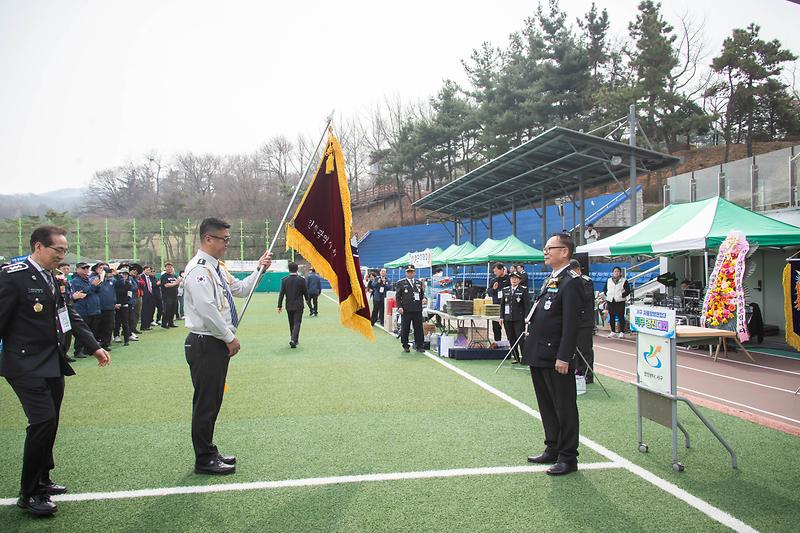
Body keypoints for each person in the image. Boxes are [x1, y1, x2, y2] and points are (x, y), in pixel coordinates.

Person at [0, 226, 110, 517]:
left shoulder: (51, 277)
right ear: (38, 247)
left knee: (51, 421)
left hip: (52, 361)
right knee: (42, 421)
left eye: (64, 251)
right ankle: (29, 492)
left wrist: (95, 346)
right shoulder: (14, 276)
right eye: (57, 251)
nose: (62, 256)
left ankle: (43, 478)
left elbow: (69, 315)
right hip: (24, 364)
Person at [182, 217, 272, 476]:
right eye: (224, 239)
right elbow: (207, 310)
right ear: (208, 239)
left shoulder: (217, 268)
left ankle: (209, 450)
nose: (227, 245)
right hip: (206, 342)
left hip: (214, 342)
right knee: (205, 403)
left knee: (213, 401)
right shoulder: (199, 270)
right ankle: (204, 459)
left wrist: (259, 270)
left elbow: (241, 289)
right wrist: (228, 337)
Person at [522, 233, 582, 476]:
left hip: (556, 355)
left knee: (564, 406)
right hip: (540, 353)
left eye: (550, 248)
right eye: (545, 248)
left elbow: (571, 324)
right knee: (546, 404)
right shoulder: (552, 279)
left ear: (564, 252)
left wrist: (564, 356)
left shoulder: (572, 281)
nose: (545, 251)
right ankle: (552, 447)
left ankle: (568, 457)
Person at [569, 259, 595, 383]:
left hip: (585, 321)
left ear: (577, 270)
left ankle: (588, 374)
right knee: (575, 349)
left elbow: (585, 297)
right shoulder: (570, 282)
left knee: (585, 349)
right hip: (574, 320)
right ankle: (578, 371)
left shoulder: (586, 281)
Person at [69, 262, 100, 358]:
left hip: (93, 309)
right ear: (77, 269)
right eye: (83, 268)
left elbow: (96, 291)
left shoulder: (89, 279)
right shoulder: (75, 281)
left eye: (87, 268)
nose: (86, 270)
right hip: (83, 309)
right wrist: (94, 286)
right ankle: (78, 351)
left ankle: (89, 349)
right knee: (82, 331)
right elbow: (84, 292)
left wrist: (96, 286)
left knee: (92, 330)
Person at [499, 271, 531, 364]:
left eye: (516, 278)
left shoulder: (523, 289)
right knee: (511, 338)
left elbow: (527, 305)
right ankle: (516, 357)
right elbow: (502, 305)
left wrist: (526, 317)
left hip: (519, 318)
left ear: (520, 280)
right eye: (512, 278)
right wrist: (501, 317)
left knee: (520, 338)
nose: (514, 280)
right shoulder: (505, 290)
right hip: (507, 318)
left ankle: (525, 358)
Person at [277, 262, 310, 348]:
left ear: (289, 269)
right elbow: (305, 292)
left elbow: (281, 294)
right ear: (297, 269)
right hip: (299, 305)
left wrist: (279, 305)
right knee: (297, 323)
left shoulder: (284, 280)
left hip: (289, 305)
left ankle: (294, 340)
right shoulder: (301, 280)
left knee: (291, 323)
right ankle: (293, 339)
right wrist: (307, 299)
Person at [395, 265, 427, 353]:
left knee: (418, 328)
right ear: (406, 273)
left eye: (412, 272)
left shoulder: (419, 283)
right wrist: (399, 307)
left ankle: (419, 345)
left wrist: (424, 298)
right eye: (408, 272)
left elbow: (422, 294)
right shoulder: (401, 283)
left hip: (417, 309)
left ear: (414, 272)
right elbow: (397, 297)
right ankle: (405, 345)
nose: (410, 273)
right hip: (406, 309)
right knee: (405, 328)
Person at [91, 262, 117, 351]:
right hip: (97, 308)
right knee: (96, 327)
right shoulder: (93, 278)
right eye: (101, 268)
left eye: (105, 268)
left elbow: (122, 285)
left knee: (109, 326)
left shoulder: (111, 280)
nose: (104, 270)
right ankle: (96, 344)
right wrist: (100, 277)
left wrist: (116, 274)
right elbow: (93, 287)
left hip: (109, 307)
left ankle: (106, 344)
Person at [603, 266, 631, 338]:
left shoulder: (624, 281)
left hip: (620, 301)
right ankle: (613, 331)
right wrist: (608, 294)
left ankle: (622, 332)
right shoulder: (608, 280)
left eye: (618, 271)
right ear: (612, 273)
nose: (616, 273)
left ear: (620, 272)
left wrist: (622, 295)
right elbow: (605, 289)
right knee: (611, 316)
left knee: (621, 316)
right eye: (615, 271)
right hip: (611, 300)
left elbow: (628, 290)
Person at [488, 263, 510, 342]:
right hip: (496, 306)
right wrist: (493, 289)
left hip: (507, 306)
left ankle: (510, 345)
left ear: (502, 270)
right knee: (496, 328)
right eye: (494, 271)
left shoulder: (508, 279)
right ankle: (498, 343)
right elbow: (489, 293)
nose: (495, 273)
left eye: (496, 271)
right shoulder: (493, 280)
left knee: (508, 328)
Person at [113, 267, 134, 346]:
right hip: (115, 305)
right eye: (122, 274)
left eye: (125, 274)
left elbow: (129, 296)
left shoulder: (129, 284)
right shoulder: (115, 283)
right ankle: (116, 335)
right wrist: (115, 304)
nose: (124, 276)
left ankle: (126, 339)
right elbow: (113, 294)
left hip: (124, 305)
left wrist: (121, 304)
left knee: (125, 322)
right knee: (116, 322)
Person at [160, 262, 181, 328]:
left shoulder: (174, 276)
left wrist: (178, 283)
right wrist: (175, 283)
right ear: (165, 268)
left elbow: (176, 284)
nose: (169, 268)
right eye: (168, 267)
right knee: (167, 310)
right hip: (167, 296)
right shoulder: (164, 276)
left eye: (171, 267)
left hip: (174, 296)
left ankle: (171, 322)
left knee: (173, 310)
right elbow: (166, 285)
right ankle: (164, 323)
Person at [139, 265, 158, 331]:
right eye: (147, 270)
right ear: (144, 270)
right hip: (145, 296)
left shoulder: (150, 277)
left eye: (149, 270)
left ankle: (147, 325)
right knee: (144, 311)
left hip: (150, 295)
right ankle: (143, 326)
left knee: (149, 311)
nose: (148, 271)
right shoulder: (141, 277)